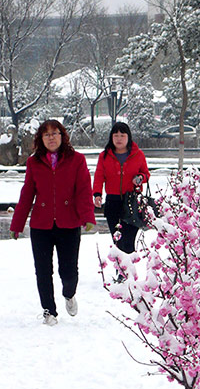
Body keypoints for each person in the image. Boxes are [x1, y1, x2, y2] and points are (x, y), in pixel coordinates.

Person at [10, 119, 96, 326]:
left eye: (54, 133)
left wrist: (88, 217)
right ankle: (49, 311)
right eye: (46, 134)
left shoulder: (77, 160)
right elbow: (27, 194)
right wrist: (17, 223)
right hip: (41, 225)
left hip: (69, 223)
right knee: (42, 270)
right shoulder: (34, 162)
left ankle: (69, 294)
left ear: (62, 135)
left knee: (68, 271)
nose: (51, 138)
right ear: (41, 138)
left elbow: (84, 190)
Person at [93, 122, 150, 255]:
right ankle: (121, 271)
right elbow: (99, 176)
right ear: (111, 137)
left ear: (128, 137)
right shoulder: (104, 156)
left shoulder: (138, 154)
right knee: (118, 240)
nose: (119, 139)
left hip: (132, 202)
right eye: (116, 135)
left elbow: (146, 173)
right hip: (113, 202)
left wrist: (141, 177)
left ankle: (128, 272)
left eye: (122, 135)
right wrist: (97, 194)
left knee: (129, 241)